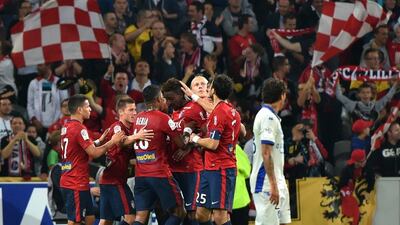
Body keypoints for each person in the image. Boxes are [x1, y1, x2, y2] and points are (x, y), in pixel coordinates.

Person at [60, 94, 125, 225]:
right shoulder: (79, 128)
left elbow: (79, 147)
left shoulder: (66, 126)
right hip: (75, 182)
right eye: (88, 106)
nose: (90, 109)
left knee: (89, 218)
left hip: (75, 181)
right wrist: (112, 142)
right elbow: (94, 153)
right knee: (74, 222)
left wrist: (99, 141)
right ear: (79, 109)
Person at [189, 74, 241, 225]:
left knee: (220, 216)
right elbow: (242, 132)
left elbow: (213, 144)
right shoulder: (232, 111)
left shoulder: (219, 112)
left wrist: (195, 138)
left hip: (222, 169)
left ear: (213, 90)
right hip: (210, 168)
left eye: (209, 86)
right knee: (201, 214)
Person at [132, 85, 187, 225]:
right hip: (159, 174)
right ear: (157, 100)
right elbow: (182, 144)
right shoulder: (163, 118)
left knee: (140, 217)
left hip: (140, 175)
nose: (165, 102)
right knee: (179, 212)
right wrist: (188, 132)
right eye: (163, 99)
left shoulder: (137, 119)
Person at [99, 97, 154, 225]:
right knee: (131, 217)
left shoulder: (130, 128)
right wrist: (137, 136)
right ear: (121, 112)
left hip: (108, 180)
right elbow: (121, 141)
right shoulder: (117, 127)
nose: (135, 113)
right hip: (115, 181)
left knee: (106, 221)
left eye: (135, 109)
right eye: (130, 110)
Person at [161, 78, 208, 225]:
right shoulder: (173, 113)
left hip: (192, 169)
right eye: (166, 99)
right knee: (177, 212)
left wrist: (189, 147)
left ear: (181, 94)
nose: (168, 102)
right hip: (173, 169)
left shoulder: (195, 108)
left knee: (194, 213)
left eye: (171, 98)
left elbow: (208, 134)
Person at [250, 78, 291, 225]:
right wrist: (273, 185)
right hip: (266, 182)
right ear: (282, 96)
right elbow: (265, 153)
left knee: (284, 222)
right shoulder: (267, 117)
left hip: (276, 179)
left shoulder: (271, 116)